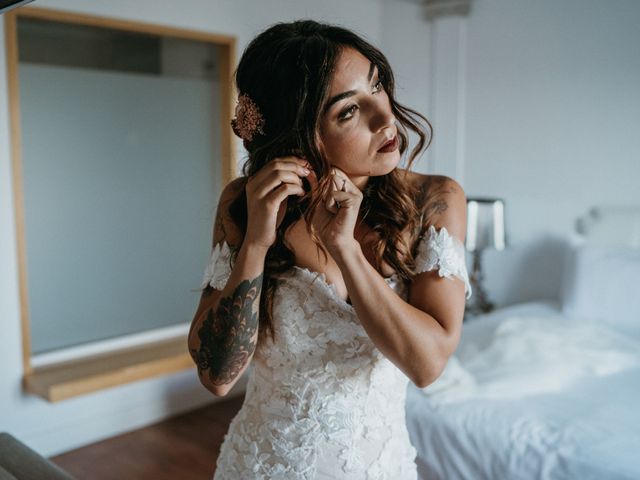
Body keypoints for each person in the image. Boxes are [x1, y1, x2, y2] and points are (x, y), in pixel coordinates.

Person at [188, 19, 472, 479]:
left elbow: (427, 365)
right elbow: (217, 377)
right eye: (348, 112)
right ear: (298, 136)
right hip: (261, 465)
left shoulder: (434, 201)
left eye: (376, 86)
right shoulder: (244, 205)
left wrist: (345, 249)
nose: (384, 118)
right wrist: (257, 242)